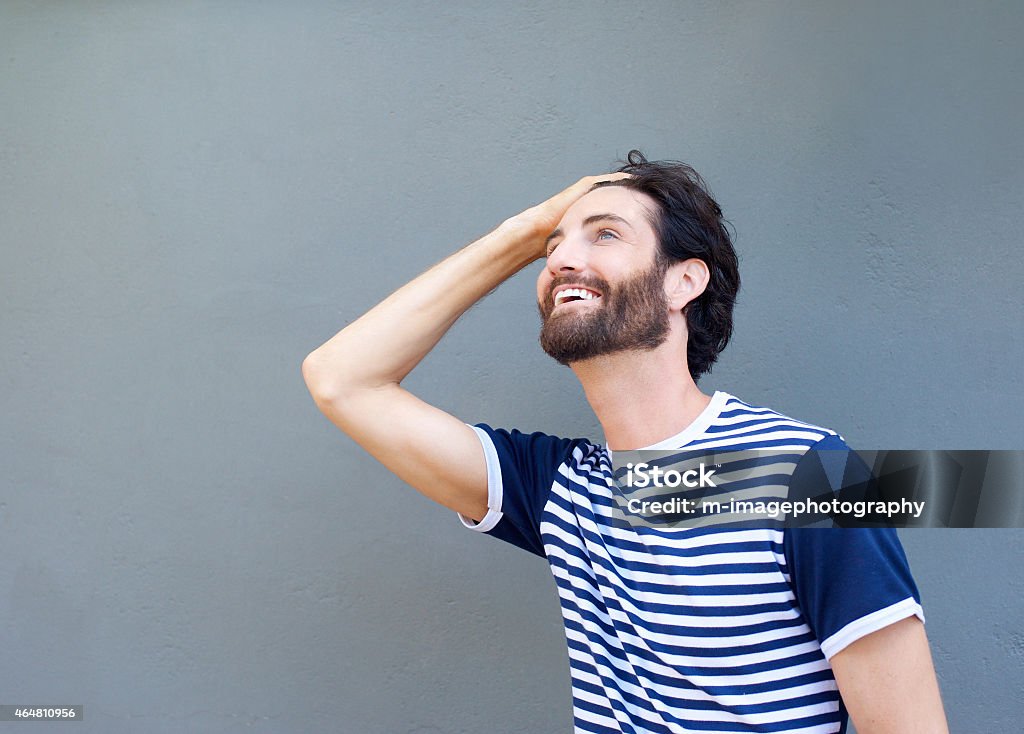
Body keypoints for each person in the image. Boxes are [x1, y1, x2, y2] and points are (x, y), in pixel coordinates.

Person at [301, 151, 949, 733]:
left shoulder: (813, 475)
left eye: (605, 233)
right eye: (552, 248)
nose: (560, 259)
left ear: (683, 282)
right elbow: (341, 380)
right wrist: (523, 233)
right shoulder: (561, 490)